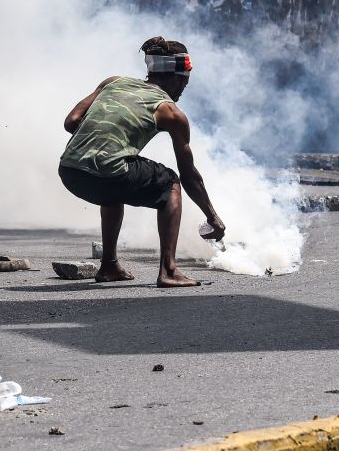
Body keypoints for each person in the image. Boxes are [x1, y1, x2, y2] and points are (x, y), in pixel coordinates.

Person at [58, 37, 226, 288]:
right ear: (175, 76)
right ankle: (168, 270)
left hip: (69, 170)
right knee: (170, 183)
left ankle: (109, 266)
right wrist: (213, 218)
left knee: (114, 183)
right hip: (107, 173)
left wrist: (104, 135)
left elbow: (71, 122)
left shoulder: (112, 83)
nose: (183, 88)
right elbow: (189, 176)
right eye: (184, 81)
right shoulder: (171, 112)